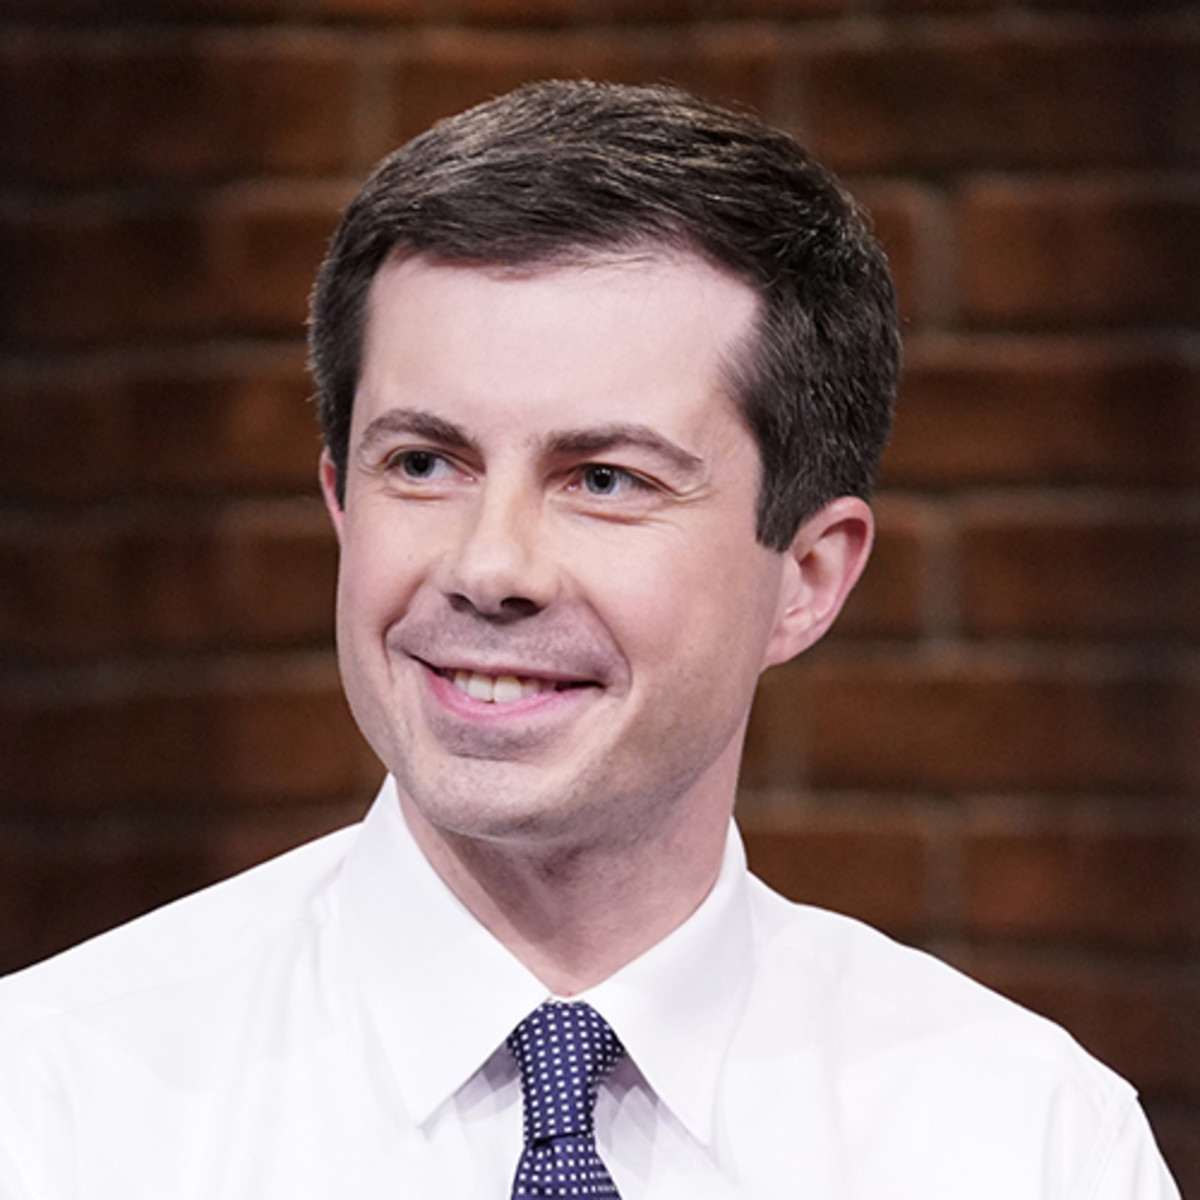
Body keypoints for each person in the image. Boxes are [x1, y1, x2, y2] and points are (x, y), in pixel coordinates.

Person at [0, 81, 1179, 1199]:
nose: (489, 566)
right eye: (423, 464)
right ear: (338, 502)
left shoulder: (1020, 1140)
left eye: (604, 479)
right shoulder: (55, 1105)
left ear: (808, 579)